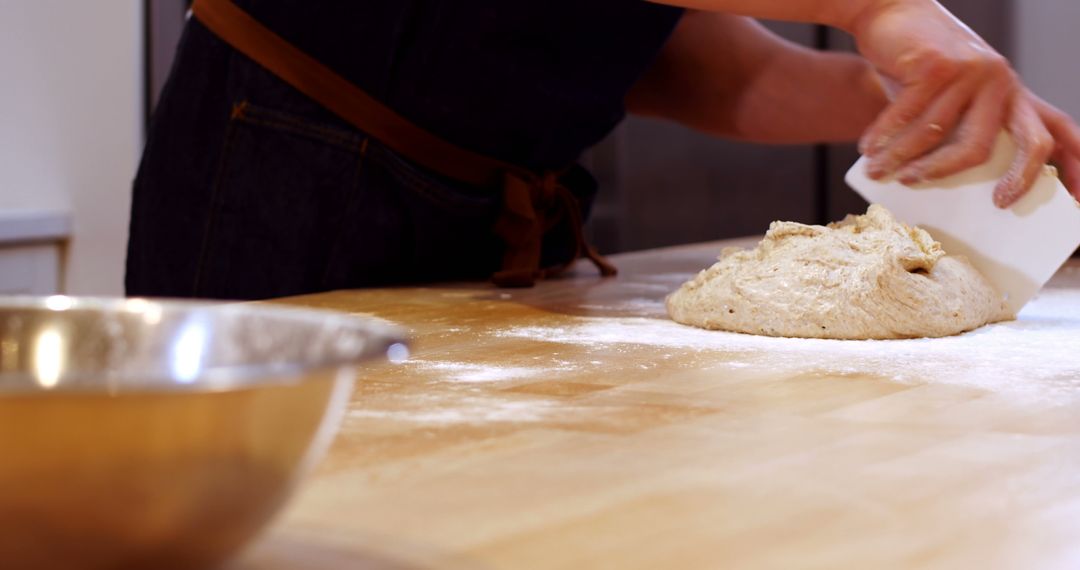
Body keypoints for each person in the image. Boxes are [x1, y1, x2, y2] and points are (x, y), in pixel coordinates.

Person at [126, 0, 1080, 301]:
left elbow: (676, 61)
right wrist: (881, 8)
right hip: (293, 165)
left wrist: (897, 100)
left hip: (480, 200)